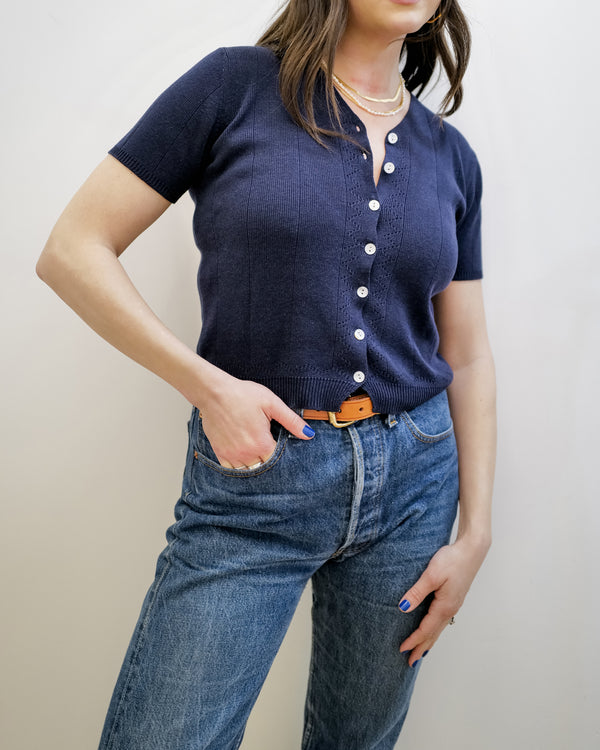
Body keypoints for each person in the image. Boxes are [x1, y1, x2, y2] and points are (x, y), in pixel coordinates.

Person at [37, 0, 496, 747]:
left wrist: (475, 533)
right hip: (256, 483)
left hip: (416, 488)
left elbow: (468, 355)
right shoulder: (235, 88)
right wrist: (208, 386)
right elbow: (73, 249)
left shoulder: (452, 155)